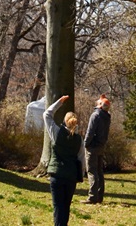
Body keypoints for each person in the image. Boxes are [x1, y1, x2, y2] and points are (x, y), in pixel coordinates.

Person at [43, 95, 86, 226]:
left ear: (64, 121)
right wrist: (81, 174)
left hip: (57, 175)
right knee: (66, 207)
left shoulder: (56, 133)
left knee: (58, 207)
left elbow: (46, 114)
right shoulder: (79, 140)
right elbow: (81, 159)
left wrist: (59, 102)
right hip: (71, 176)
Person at [82, 94, 111, 204]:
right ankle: (99, 196)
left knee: (92, 171)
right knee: (99, 171)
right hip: (101, 146)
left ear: (99, 105)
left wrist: (85, 144)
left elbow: (90, 132)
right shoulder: (107, 116)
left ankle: (92, 197)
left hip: (92, 146)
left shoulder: (95, 115)